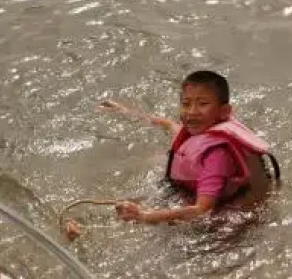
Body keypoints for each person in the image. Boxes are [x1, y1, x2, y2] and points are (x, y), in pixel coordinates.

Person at [99, 70, 280, 225]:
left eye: (203, 104)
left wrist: (145, 216)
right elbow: (167, 124)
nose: (192, 112)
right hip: (186, 192)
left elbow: (202, 210)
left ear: (224, 112)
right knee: (152, 161)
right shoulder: (196, 132)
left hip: (224, 216)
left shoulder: (217, 155)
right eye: (186, 104)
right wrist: (124, 111)